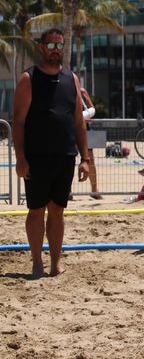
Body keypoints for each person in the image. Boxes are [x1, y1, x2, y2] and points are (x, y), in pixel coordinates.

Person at [12, 28, 90, 277]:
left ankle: (55, 263)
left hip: (65, 157)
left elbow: (78, 122)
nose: (56, 50)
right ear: (41, 47)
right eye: (52, 45)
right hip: (36, 158)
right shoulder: (29, 79)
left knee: (57, 210)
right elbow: (19, 122)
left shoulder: (72, 80)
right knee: (36, 210)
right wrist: (20, 158)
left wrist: (85, 159)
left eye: (60, 46)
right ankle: (37, 262)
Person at [80, 87, 102, 199]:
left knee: (91, 160)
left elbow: (92, 109)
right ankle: (67, 191)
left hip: (84, 128)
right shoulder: (63, 90)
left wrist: (85, 94)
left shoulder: (80, 91)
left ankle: (94, 189)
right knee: (67, 160)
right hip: (71, 127)